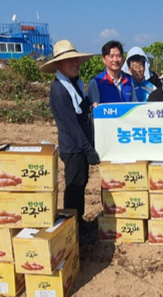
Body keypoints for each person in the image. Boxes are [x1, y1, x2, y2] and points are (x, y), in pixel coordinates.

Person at [40, 40, 100, 245]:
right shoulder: (60, 90)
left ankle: (78, 221)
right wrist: (88, 149)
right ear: (59, 65)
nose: (75, 64)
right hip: (73, 147)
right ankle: (72, 227)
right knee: (74, 187)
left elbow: (82, 114)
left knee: (80, 184)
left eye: (75, 60)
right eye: (69, 61)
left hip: (79, 145)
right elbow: (72, 126)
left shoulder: (74, 84)